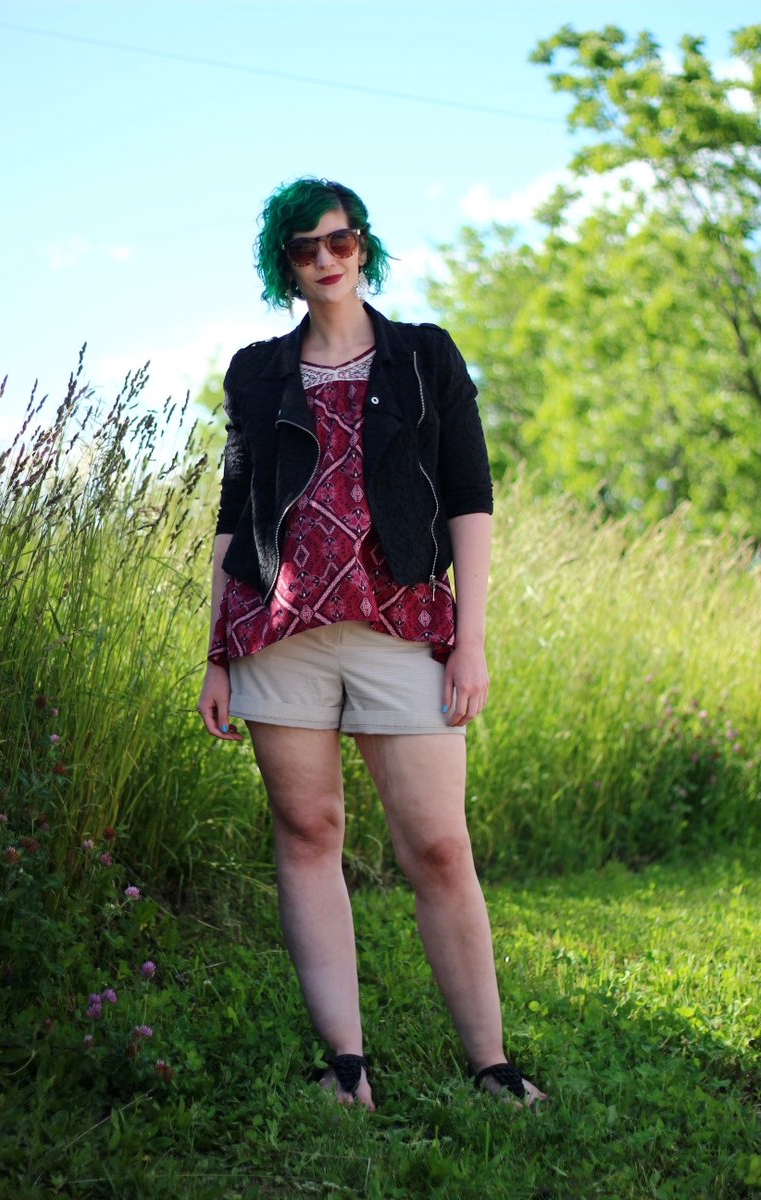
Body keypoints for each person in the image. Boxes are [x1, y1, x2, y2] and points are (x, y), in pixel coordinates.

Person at [197, 177, 545, 1112]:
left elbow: (470, 498)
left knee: (437, 845)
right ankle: (346, 1064)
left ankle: (490, 1063)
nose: (327, 258)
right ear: (287, 265)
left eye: (341, 240)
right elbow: (236, 513)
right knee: (309, 833)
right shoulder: (256, 371)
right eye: (307, 246)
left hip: (405, 633)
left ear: (365, 246)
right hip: (278, 638)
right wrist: (215, 651)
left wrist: (469, 641)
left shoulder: (424, 357)